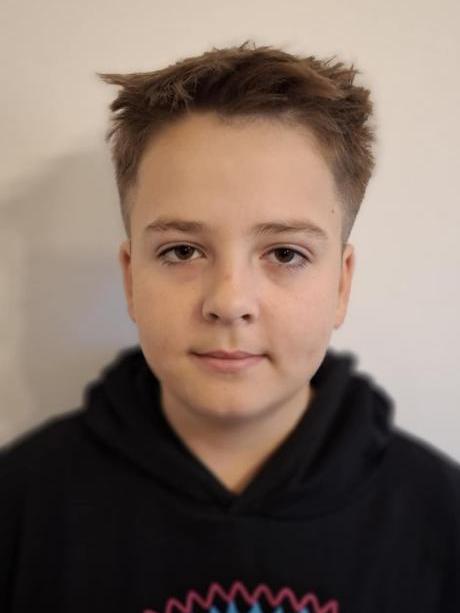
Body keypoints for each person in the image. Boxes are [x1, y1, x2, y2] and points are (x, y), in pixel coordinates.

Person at [1, 40, 459, 613]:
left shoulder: (443, 521)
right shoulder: (19, 507)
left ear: (341, 285)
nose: (229, 301)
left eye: (285, 254)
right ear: (130, 278)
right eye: (182, 250)